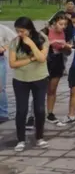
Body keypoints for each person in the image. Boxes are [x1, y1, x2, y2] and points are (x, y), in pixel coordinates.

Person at [9, 17, 50, 152]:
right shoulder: (15, 42)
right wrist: (31, 59)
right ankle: (21, 139)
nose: (20, 34)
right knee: (21, 110)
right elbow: (13, 63)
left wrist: (31, 44)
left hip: (39, 78)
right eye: (17, 31)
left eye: (22, 31)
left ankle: (39, 137)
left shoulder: (42, 38)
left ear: (29, 28)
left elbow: (42, 58)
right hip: (20, 79)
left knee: (39, 109)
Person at [43, 13, 72, 124]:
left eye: (65, 24)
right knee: (40, 90)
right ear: (54, 22)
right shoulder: (46, 31)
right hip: (45, 62)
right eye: (61, 24)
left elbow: (67, 52)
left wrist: (66, 47)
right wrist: (53, 42)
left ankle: (50, 113)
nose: (63, 27)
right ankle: (34, 114)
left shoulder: (64, 33)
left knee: (52, 89)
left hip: (57, 61)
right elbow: (37, 46)